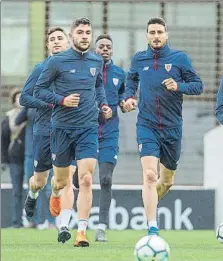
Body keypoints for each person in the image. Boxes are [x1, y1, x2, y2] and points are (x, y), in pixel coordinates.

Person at [34, 17, 112, 247]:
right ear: (72, 36)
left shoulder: (97, 61)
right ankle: (56, 197)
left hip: (88, 128)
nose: (85, 35)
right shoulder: (56, 62)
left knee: (86, 179)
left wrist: (104, 105)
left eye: (88, 32)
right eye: (80, 32)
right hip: (61, 129)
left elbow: (98, 85)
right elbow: (39, 91)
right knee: (60, 181)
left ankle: (80, 231)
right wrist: (62, 100)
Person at [124, 17, 203, 235]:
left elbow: (198, 86)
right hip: (147, 126)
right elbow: (131, 81)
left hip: (172, 128)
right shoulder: (139, 59)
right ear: (147, 35)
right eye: (152, 32)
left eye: (160, 32)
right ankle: (152, 227)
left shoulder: (179, 58)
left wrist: (178, 86)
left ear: (166, 35)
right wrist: (129, 97)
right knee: (149, 175)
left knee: (166, 181)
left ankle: (150, 203)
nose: (156, 36)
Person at [21, 27, 73, 230]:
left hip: (68, 130)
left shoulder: (74, 69)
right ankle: (33, 194)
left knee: (66, 177)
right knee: (39, 180)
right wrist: (51, 104)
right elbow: (25, 98)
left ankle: (62, 225)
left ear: (67, 42)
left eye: (60, 38)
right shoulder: (39, 68)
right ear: (48, 45)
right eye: (52, 39)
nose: (56, 41)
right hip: (44, 129)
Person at [95, 34, 126, 241]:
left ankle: (102, 226)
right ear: (95, 50)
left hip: (109, 133)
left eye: (108, 46)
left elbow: (123, 95)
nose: (105, 49)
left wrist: (125, 103)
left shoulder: (119, 73)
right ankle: (73, 221)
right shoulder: (86, 71)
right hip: (86, 131)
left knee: (105, 179)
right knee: (80, 180)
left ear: (112, 50)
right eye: (101, 46)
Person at [1, 89, 26, 228]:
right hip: (14, 159)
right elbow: (4, 141)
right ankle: (17, 222)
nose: (20, 100)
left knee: (32, 191)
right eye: (18, 98)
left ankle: (34, 221)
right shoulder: (8, 117)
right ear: (13, 100)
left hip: (30, 158)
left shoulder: (31, 114)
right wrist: (4, 160)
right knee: (17, 192)